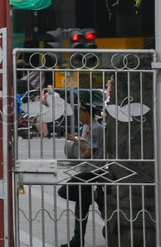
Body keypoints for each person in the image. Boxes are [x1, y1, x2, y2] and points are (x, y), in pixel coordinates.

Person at [58, 105, 106, 247]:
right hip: (88, 169)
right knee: (81, 207)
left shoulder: (96, 128)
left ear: (87, 113)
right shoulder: (91, 128)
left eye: (80, 113)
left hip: (91, 171)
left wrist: (80, 155)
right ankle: (77, 241)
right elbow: (87, 149)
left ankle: (95, 195)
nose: (79, 117)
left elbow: (88, 153)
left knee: (64, 191)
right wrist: (75, 140)